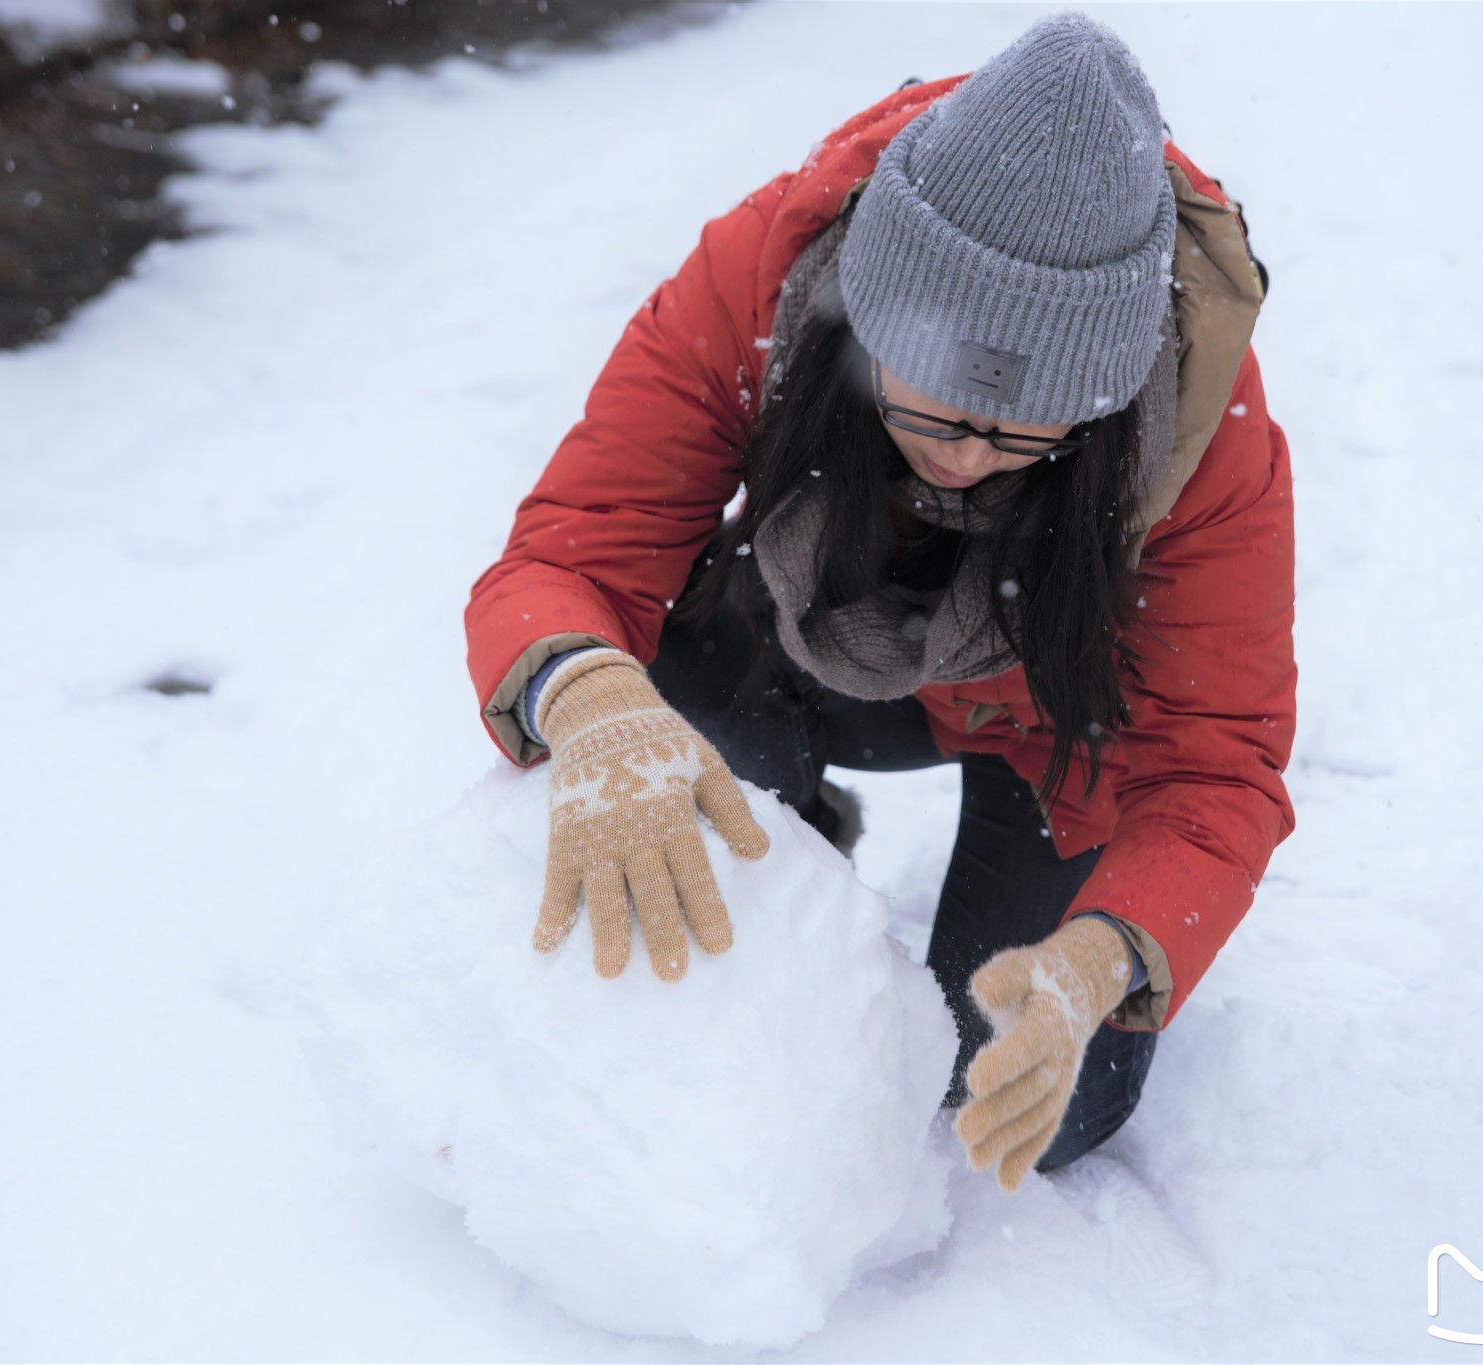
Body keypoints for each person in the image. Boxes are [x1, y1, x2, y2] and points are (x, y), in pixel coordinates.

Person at [464, 12, 1295, 1194]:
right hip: (789, 649)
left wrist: (1103, 959)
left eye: (1022, 433)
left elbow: (1216, 764)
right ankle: (778, 847)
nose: (962, 458)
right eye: (935, 409)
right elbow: (576, 551)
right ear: (867, 312)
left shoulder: (1200, 435)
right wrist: (591, 697)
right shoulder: (764, 275)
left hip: (1050, 728)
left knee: (1015, 1103)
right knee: (666, 776)